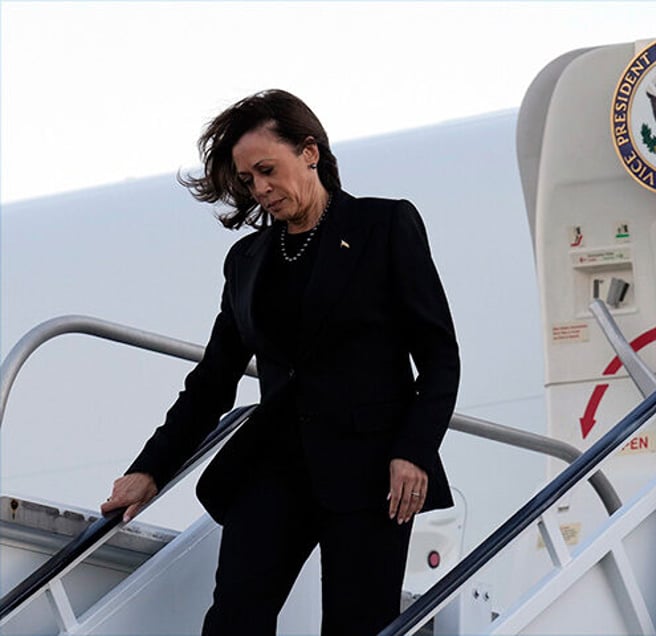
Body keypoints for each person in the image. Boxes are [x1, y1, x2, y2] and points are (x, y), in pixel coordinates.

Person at [100, 89, 460, 635]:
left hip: (370, 472)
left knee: (357, 625)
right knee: (233, 621)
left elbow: (439, 357)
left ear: (309, 152)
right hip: (274, 469)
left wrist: (413, 451)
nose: (260, 189)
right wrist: (149, 468)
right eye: (248, 180)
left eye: (267, 170)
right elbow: (213, 379)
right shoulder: (248, 260)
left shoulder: (383, 227)